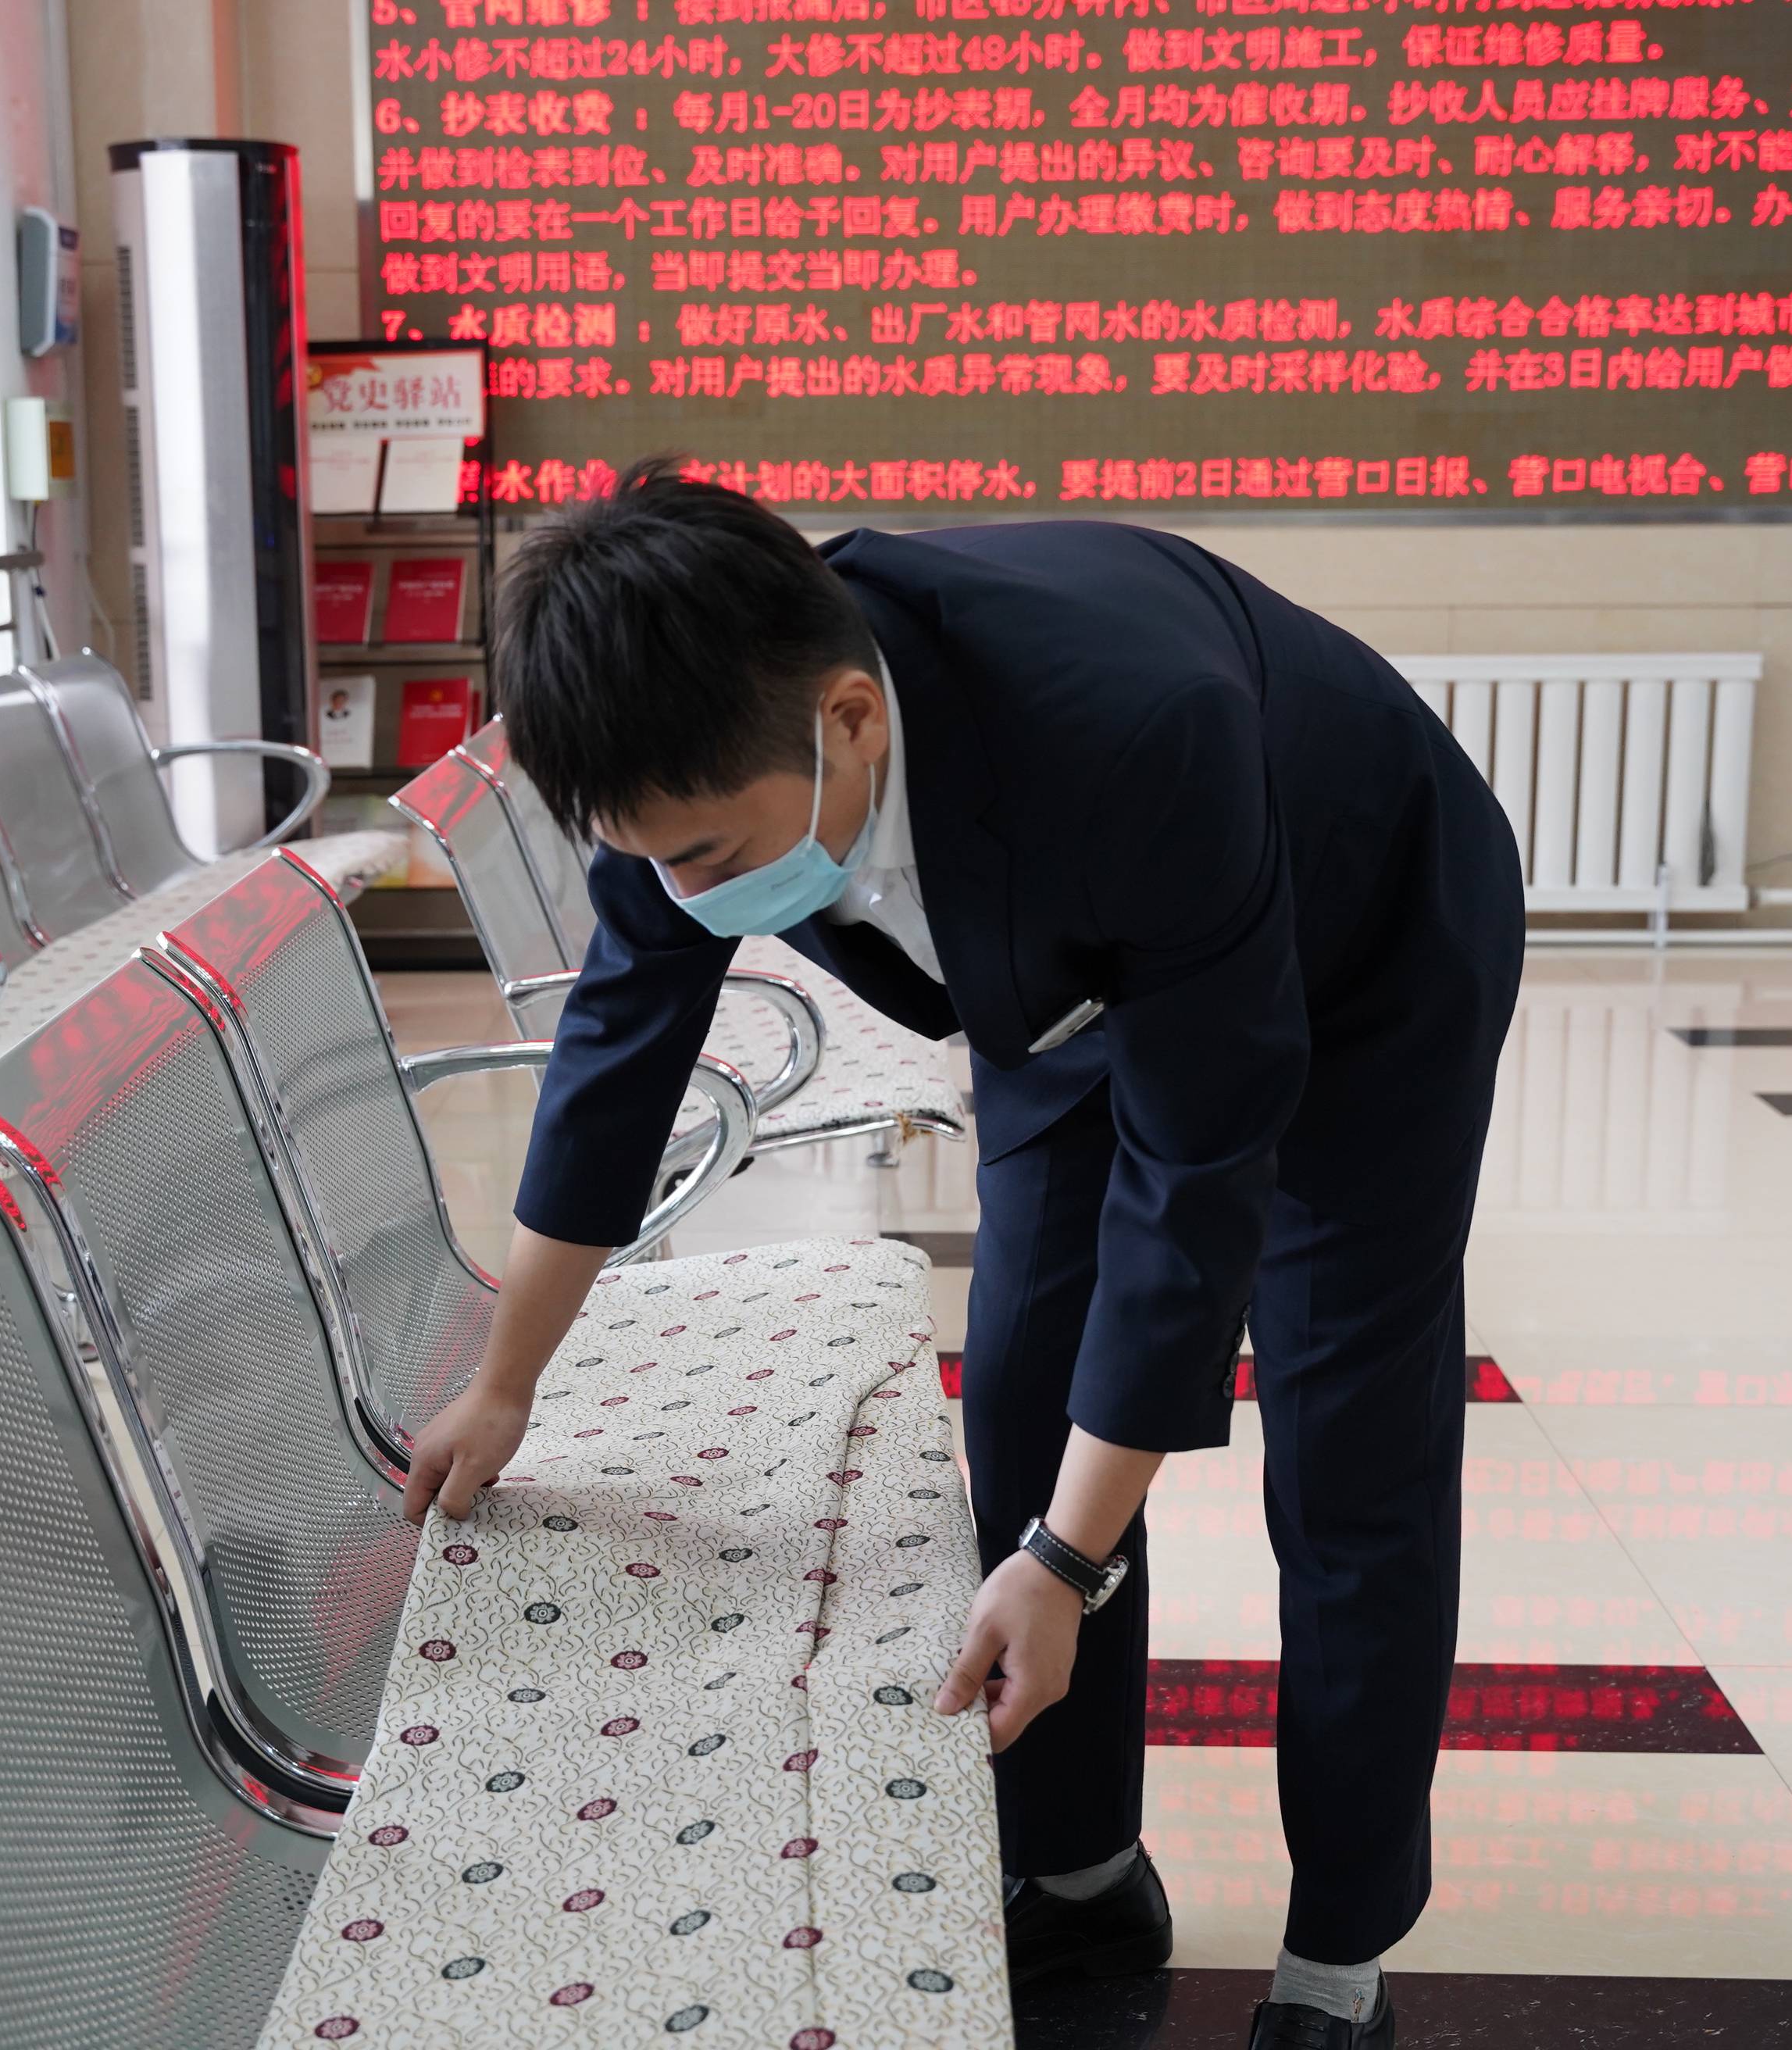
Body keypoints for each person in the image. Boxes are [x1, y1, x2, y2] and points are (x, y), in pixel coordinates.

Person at [399, 459, 1523, 2049]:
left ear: (851, 720)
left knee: (1348, 1450)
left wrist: (1066, 1563)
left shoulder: (1136, 728)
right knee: (1021, 1389)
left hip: (1365, 946)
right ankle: (1083, 1873)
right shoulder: (686, 752)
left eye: (707, 859)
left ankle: (1338, 1954)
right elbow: (618, 1051)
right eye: (651, 861)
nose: (683, 893)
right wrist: (508, 1381)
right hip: (1070, 965)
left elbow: (1196, 1180)